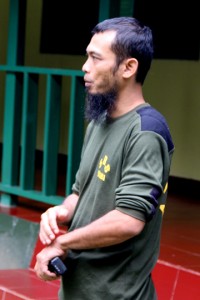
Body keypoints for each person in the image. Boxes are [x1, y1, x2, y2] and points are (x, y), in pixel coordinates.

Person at [34, 16, 174, 299]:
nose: (85, 67)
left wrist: (64, 243)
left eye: (96, 58)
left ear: (128, 67)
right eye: (87, 56)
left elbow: (128, 220)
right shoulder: (99, 121)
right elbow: (80, 193)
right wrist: (61, 212)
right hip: (78, 289)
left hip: (116, 294)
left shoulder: (147, 131)